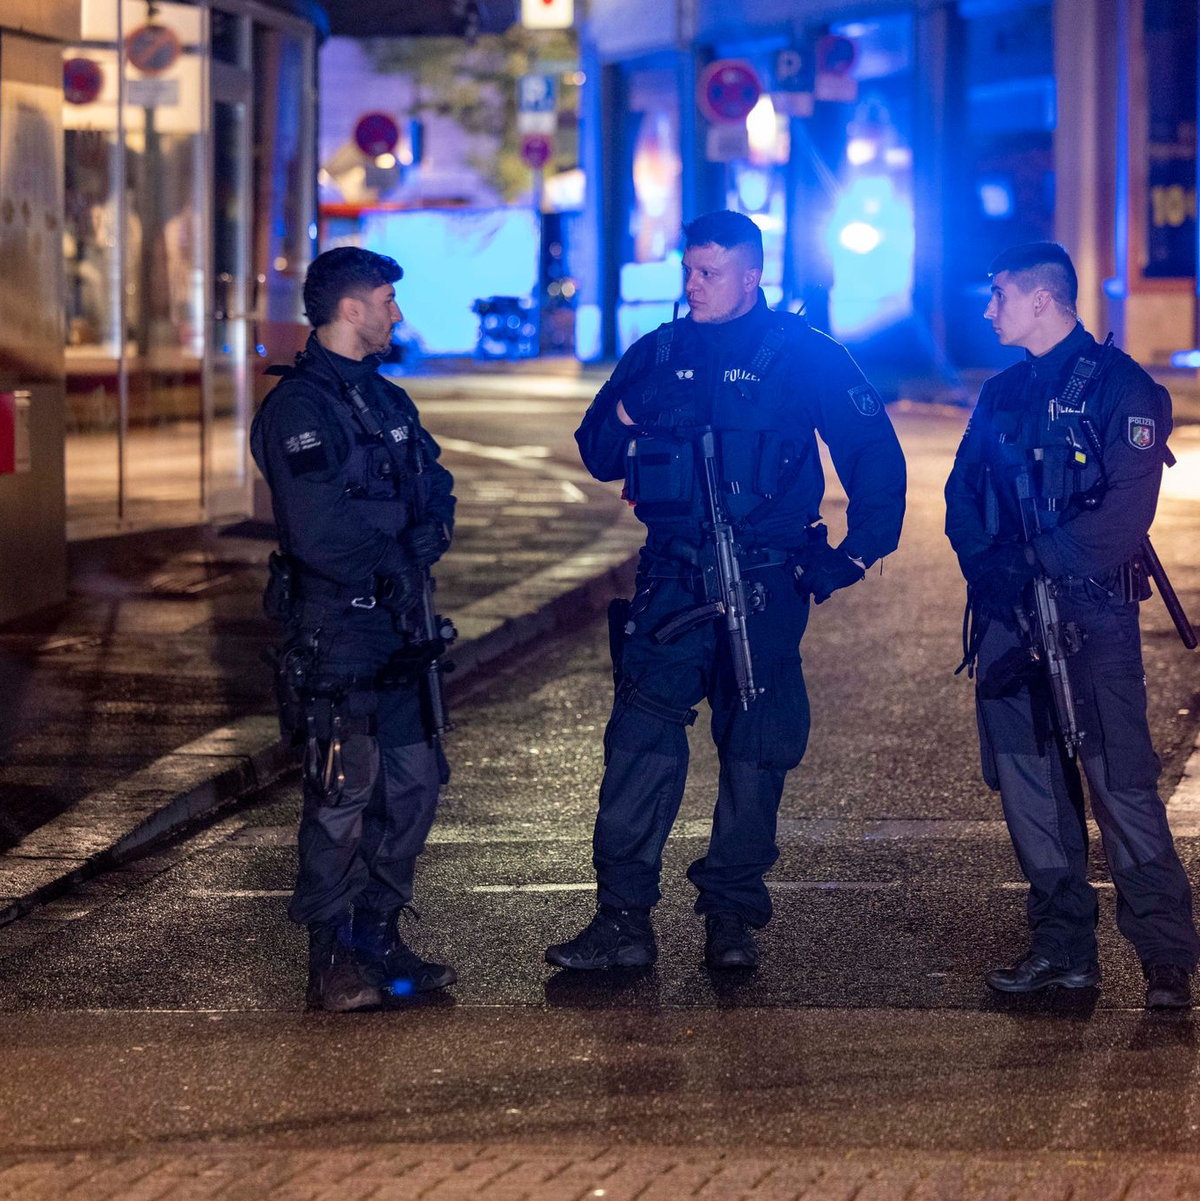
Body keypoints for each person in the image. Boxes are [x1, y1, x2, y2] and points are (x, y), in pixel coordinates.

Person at [546, 210, 907, 971]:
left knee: (756, 747)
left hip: (766, 580)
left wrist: (854, 554)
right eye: (689, 270)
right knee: (639, 743)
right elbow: (597, 452)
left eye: (710, 273)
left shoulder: (805, 354)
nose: (694, 286)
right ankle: (622, 920)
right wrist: (631, 406)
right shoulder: (660, 351)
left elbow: (873, 454)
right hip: (672, 580)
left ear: (752, 276)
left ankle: (731, 915)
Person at [945, 241, 1199, 1009]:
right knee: (1032, 789)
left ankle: (1166, 959)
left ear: (1041, 300)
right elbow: (961, 494)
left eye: (999, 294)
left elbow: (1124, 516)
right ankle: (1062, 949)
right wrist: (989, 568)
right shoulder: (1001, 393)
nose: (988, 309)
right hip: (1010, 617)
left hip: (1092, 616)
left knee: (1121, 785)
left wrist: (1035, 558)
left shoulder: (1124, 390)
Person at [250, 247, 457, 1012]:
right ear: (350, 308)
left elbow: (434, 481)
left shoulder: (386, 399)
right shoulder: (299, 410)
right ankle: (332, 956)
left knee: (415, 787)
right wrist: (395, 555)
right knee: (343, 796)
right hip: (340, 630)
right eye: (386, 299)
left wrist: (433, 527)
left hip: (403, 628)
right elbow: (317, 529)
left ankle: (378, 934)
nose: (396, 313)